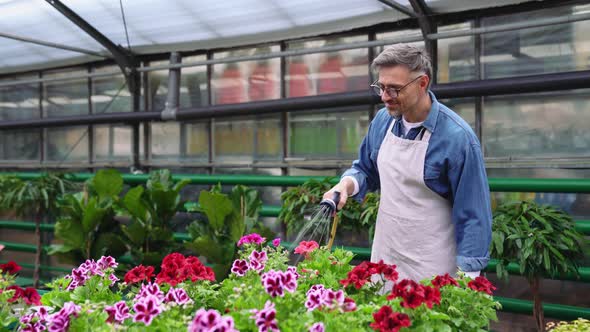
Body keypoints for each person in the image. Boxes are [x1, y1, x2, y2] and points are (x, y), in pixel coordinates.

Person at [323, 44, 492, 282]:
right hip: (386, 258)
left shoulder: (457, 138)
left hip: (433, 267)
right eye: (381, 87)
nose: (384, 97)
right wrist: (346, 185)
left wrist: (469, 280)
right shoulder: (383, 121)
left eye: (394, 89)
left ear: (422, 83)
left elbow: (474, 216)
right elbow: (365, 170)